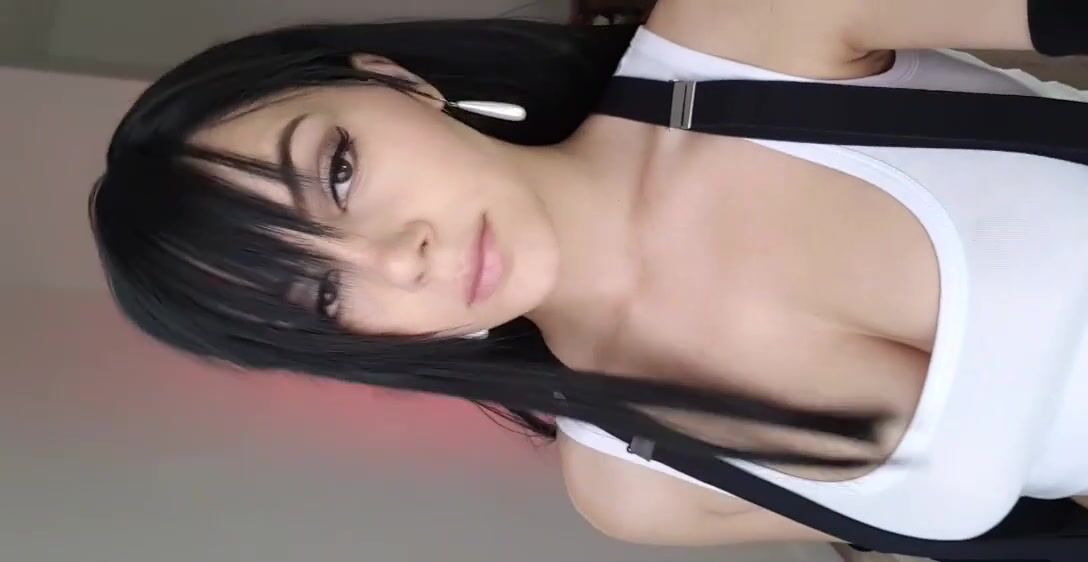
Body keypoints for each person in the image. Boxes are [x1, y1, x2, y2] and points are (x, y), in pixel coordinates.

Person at [89, 0, 1088, 551]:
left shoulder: (740, 35)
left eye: (339, 171)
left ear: (392, 82)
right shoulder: (634, 486)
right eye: (323, 294)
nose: (400, 255)